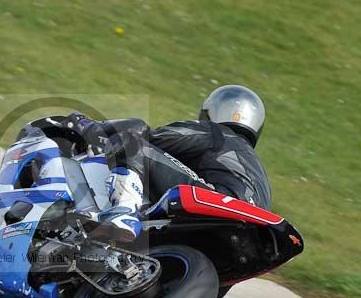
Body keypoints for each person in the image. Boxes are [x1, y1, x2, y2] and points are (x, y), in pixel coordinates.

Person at [62, 85, 271, 242]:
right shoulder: (261, 174)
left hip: (219, 201)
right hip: (249, 235)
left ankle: (123, 211)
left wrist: (87, 126)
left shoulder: (216, 133)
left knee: (132, 142)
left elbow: (147, 135)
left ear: (212, 112)